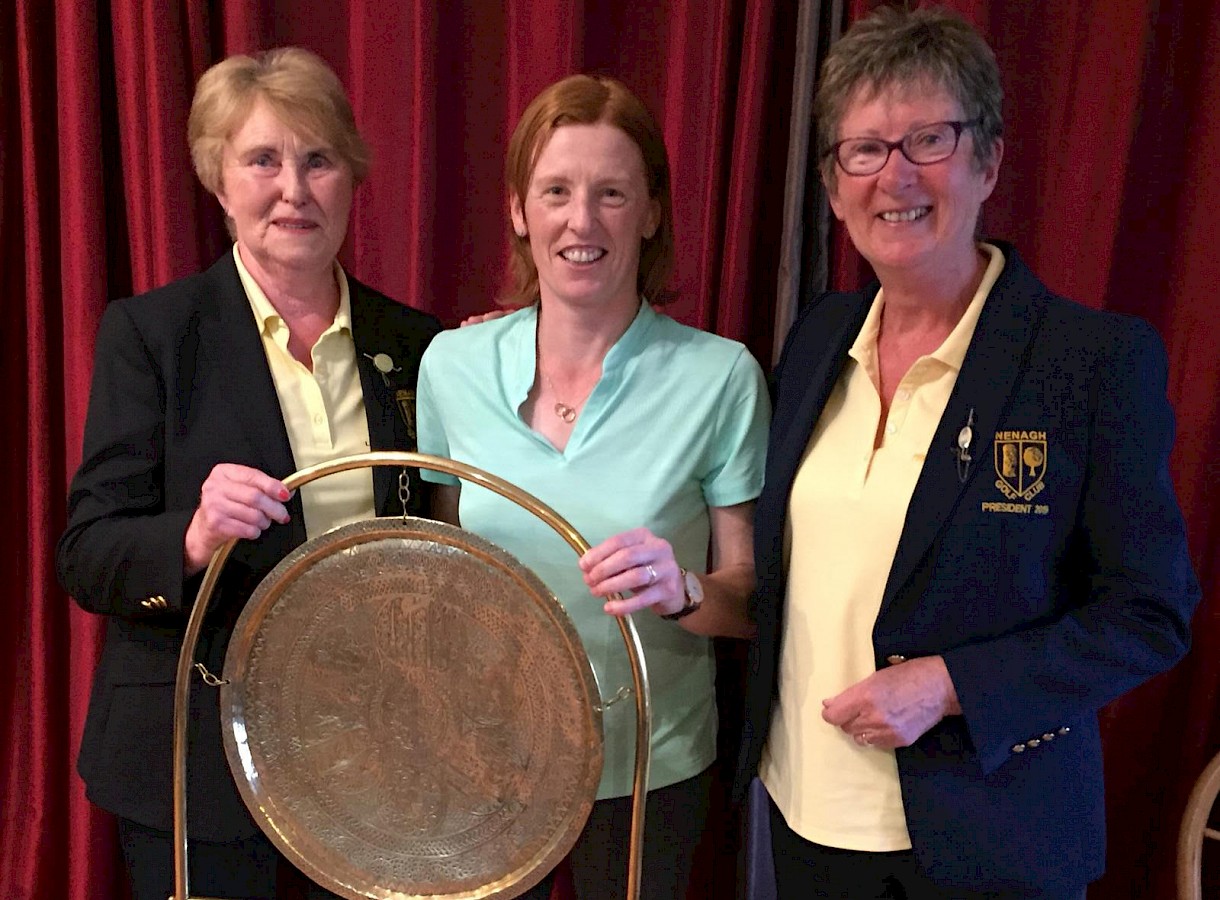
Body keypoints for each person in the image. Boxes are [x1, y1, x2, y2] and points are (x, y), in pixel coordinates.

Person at [735, 8, 1201, 900]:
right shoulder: (817, 337)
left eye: (928, 139)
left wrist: (952, 683)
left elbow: (1151, 614)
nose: (894, 175)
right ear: (835, 188)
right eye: (863, 150)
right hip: (804, 817)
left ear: (986, 160)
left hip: (988, 841)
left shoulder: (1091, 363)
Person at [56, 48, 441, 900]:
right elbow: (88, 555)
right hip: (195, 762)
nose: (294, 190)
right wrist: (191, 536)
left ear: (352, 178)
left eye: (319, 160)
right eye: (263, 160)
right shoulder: (153, 336)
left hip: (370, 764)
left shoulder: (421, 346)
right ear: (218, 181)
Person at [415, 74, 771, 900]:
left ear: (651, 214)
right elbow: (437, 568)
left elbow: (752, 600)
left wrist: (681, 589)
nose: (583, 220)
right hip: (483, 768)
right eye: (557, 191)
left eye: (613, 193)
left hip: (653, 767)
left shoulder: (721, 377)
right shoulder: (451, 366)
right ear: (519, 211)